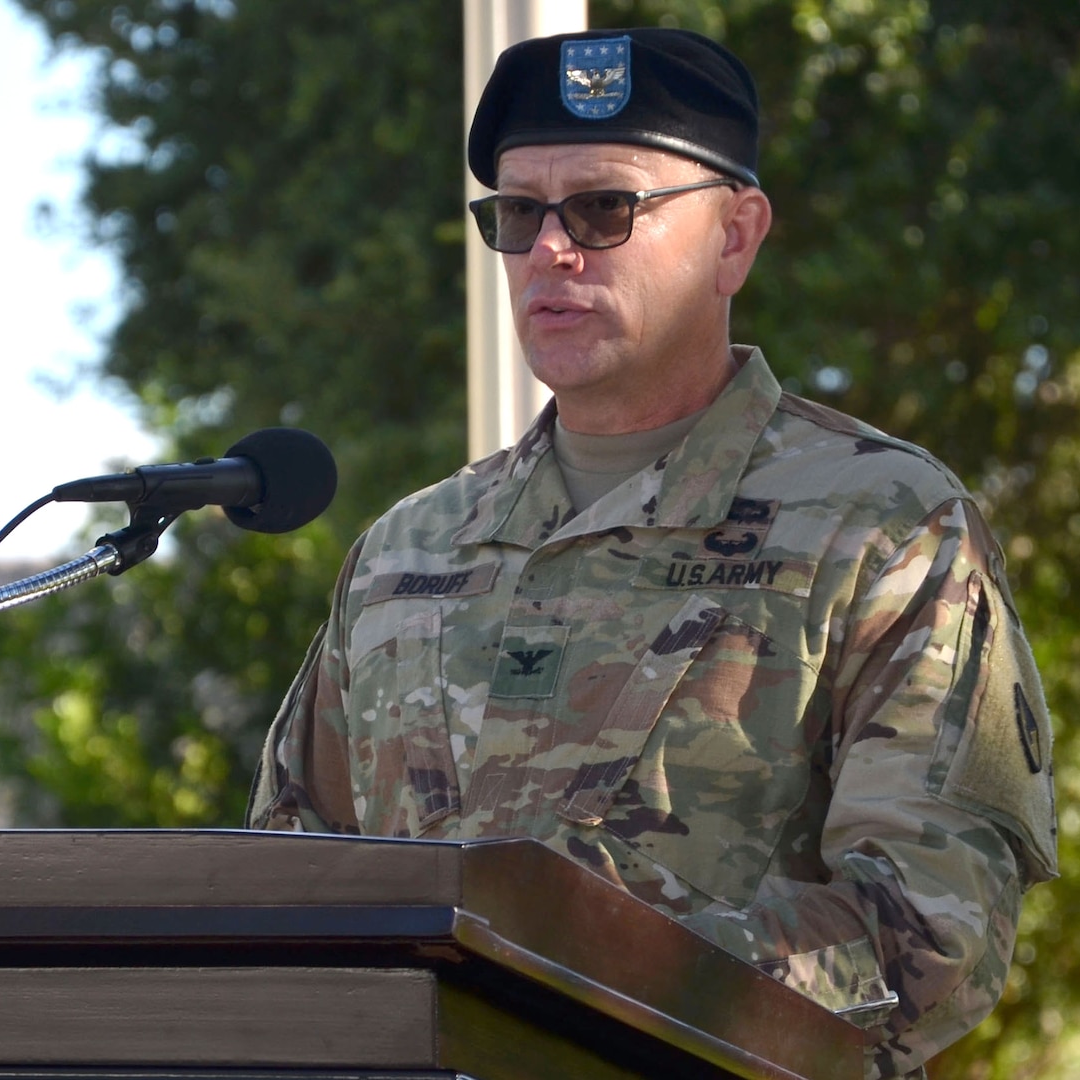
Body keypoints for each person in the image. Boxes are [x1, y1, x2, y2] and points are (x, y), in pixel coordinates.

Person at [246, 26, 1058, 1079]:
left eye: (603, 208)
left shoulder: (884, 526)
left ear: (735, 236)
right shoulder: (404, 551)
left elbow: (933, 937)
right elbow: (288, 879)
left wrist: (580, 974)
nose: (550, 250)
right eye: (518, 213)